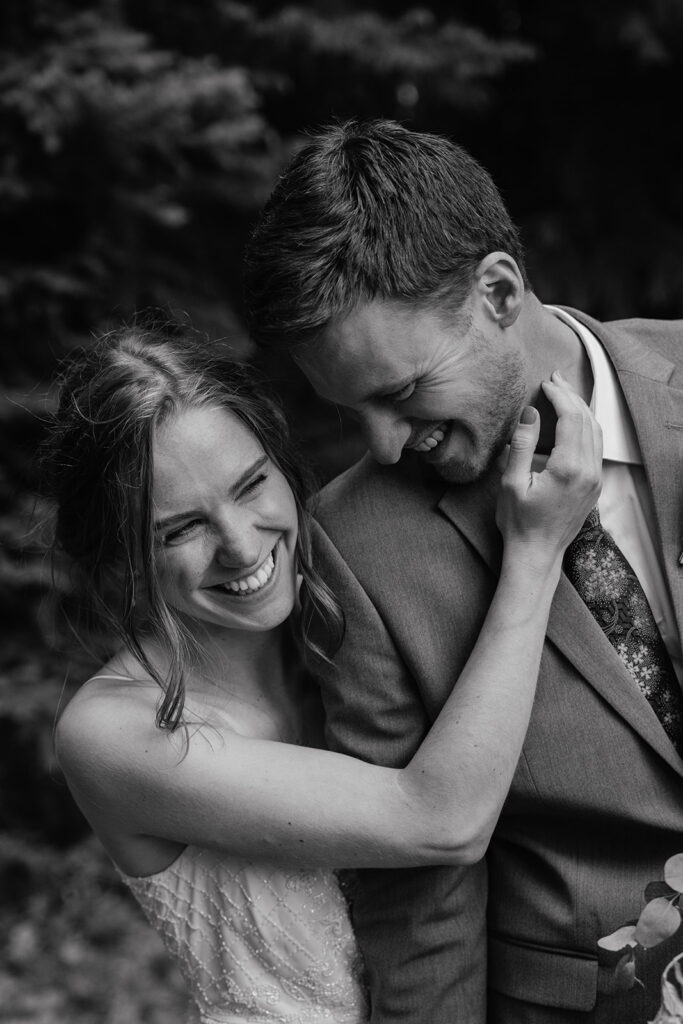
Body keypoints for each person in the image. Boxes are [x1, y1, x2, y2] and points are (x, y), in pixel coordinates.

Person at [243, 119, 683, 1024]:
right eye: (349, 410)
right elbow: (420, 903)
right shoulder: (354, 546)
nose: (383, 443)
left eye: (400, 393)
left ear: (496, 289)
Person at [47, 323, 600, 1024]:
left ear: (283, 464)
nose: (241, 546)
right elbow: (441, 820)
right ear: (122, 556)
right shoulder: (111, 734)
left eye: (251, 486)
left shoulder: (359, 632)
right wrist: (533, 555)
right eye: (179, 529)